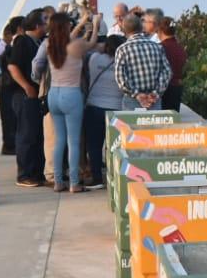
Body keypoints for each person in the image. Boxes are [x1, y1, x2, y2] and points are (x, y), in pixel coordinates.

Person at [32, 11, 97, 193]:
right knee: (74, 141)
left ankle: (58, 181)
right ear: (66, 26)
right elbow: (91, 43)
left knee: (59, 140)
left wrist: (82, 22)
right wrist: (95, 24)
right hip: (72, 95)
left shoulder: (48, 44)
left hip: (54, 94)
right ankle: (74, 182)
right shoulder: (75, 46)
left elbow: (37, 66)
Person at [4, 11, 46, 188]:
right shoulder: (23, 41)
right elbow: (12, 66)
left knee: (36, 136)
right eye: (45, 21)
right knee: (26, 135)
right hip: (24, 96)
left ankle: (36, 173)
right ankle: (24, 175)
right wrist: (26, 87)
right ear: (36, 26)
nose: (47, 24)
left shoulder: (37, 42)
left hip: (34, 96)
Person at [82, 35, 125, 189]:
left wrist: (104, 46)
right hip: (116, 108)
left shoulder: (94, 59)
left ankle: (97, 178)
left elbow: (93, 48)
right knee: (114, 145)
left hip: (94, 107)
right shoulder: (123, 63)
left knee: (93, 145)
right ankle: (115, 176)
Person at [114, 13, 171, 110]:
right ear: (141, 27)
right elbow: (167, 72)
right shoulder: (157, 47)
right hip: (154, 101)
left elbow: (121, 79)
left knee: (130, 125)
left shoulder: (122, 49)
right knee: (154, 126)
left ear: (124, 30)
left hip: (131, 102)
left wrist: (137, 95)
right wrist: (155, 93)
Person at [0, 17, 23, 155]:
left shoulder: (9, 49)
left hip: (9, 86)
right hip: (6, 87)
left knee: (12, 118)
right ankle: (9, 145)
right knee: (8, 118)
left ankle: (11, 144)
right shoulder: (1, 50)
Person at [155, 17, 187, 113]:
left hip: (162, 91)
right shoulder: (181, 49)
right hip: (177, 90)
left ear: (160, 31)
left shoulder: (159, 48)